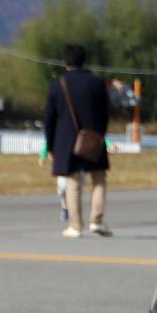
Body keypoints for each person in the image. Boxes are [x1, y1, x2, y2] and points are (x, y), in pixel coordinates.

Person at [42, 44, 111, 238]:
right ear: (84, 60)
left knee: (72, 182)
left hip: (66, 141)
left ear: (65, 62)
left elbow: (49, 118)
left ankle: (75, 225)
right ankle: (96, 221)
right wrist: (100, 135)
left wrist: (50, 144)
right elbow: (106, 113)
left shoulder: (58, 84)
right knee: (98, 178)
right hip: (93, 137)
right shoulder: (97, 83)